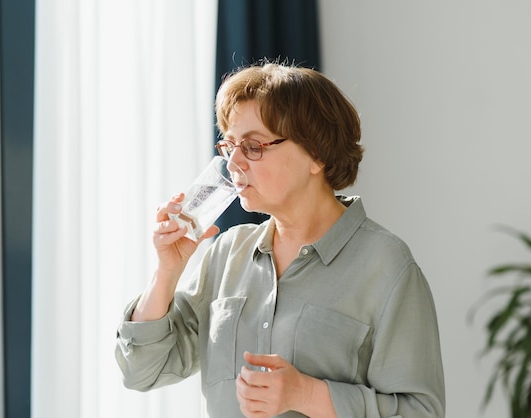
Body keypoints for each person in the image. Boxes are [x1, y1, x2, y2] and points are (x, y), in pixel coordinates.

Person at [115, 61, 445, 418]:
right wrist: (167, 271)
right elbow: (142, 371)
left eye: (253, 146)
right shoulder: (227, 254)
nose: (233, 163)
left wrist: (308, 395)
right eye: (230, 146)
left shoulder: (387, 266)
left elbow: (422, 411)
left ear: (316, 154)